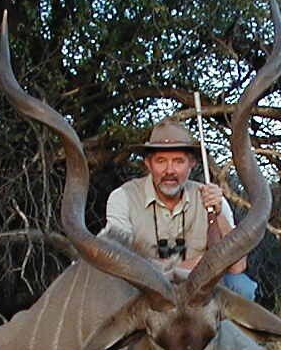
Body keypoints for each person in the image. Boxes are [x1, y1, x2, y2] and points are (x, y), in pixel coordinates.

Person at [101, 118, 259, 301]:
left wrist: (219, 214)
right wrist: (190, 266)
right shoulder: (123, 197)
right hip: (147, 292)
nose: (169, 170)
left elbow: (237, 267)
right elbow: (119, 261)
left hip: (198, 293)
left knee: (242, 287)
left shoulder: (212, 198)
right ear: (148, 163)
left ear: (192, 163)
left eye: (178, 161)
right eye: (161, 161)